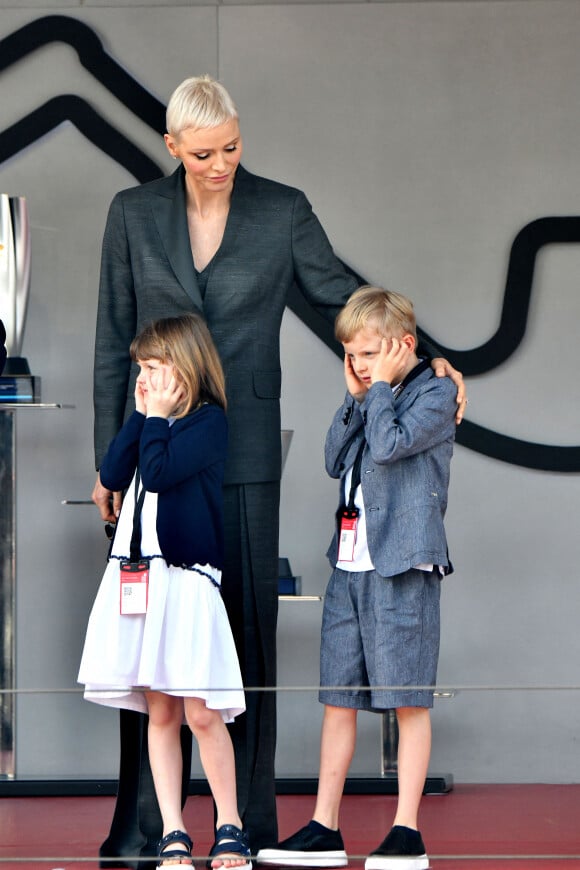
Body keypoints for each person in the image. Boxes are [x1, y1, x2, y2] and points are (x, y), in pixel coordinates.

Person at [91, 75, 467, 866]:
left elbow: (343, 297)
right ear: (172, 148)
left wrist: (430, 358)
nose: (222, 162)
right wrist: (109, 463)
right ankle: (149, 825)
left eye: (232, 146)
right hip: (154, 453)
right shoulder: (131, 215)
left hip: (246, 448)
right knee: (151, 643)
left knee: (245, 640)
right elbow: (111, 339)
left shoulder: (283, 208)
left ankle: (245, 823)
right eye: (204, 153)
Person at [257, 286, 457, 870]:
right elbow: (332, 459)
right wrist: (354, 397)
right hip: (349, 563)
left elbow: (392, 445)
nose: (360, 366)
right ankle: (325, 826)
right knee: (338, 697)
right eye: (351, 356)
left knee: (408, 699)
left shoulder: (436, 393)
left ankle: (406, 830)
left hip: (402, 563)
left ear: (403, 345)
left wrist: (382, 392)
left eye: (368, 354)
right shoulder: (369, 393)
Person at [80, 313, 252, 870]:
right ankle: (173, 829)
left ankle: (230, 823)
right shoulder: (149, 417)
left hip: (184, 579)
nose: (146, 378)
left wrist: (153, 418)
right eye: (141, 369)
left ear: (186, 366)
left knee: (201, 712)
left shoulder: (208, 423)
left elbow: (156, 473)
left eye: (155, 367)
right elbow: (113, 470)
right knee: (160, 710)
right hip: (142, 577)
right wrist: (140, 415)